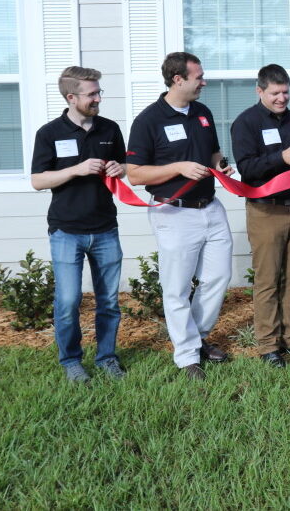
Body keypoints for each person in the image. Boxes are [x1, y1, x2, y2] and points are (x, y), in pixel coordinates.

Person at [126, 52, 234, 380]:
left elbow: (213, 151)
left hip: (211, 208)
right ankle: (187, 355)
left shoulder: (202, 112)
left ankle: (197, 337)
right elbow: (134, 174)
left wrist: (219, 163)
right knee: (176, 287)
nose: (204, 81)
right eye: (198, 76)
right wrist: (177, 167)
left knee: (218, 278)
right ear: (178, 79)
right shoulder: (148, 120)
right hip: (173, 213)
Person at [31, 66, 126, 383]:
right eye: (92, 94)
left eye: (99, 92)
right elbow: (37, 180)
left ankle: (107, 358)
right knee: (69, 300)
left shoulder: (110, 129)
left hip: (105, 228)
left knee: (109, 301)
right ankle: (71, 360)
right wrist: (76, 169)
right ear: (71, 97)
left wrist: (118, 167)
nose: (98, 98)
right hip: (66, 231)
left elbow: (125, 167)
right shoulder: (49, 133)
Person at [231, 64, 290, 368]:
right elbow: (247, 168)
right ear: (260, 91)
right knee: (268, 280)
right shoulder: (245, 123)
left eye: (285, 91)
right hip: (266, 211)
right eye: (275, 92)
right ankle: (269, 345)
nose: (281, 97)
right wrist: (282, 156)